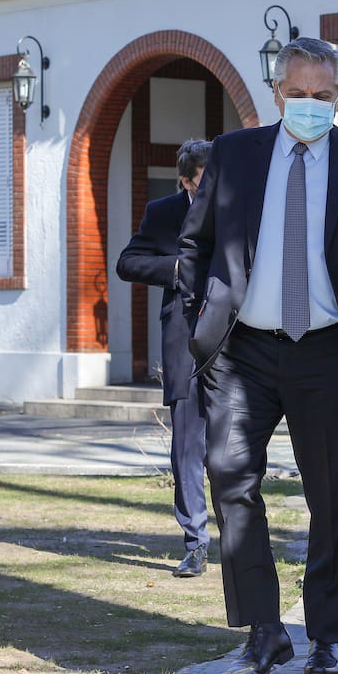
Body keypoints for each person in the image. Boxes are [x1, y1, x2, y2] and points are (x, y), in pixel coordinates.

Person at [177, 37, 338, 674]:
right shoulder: (235, 155)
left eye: (324, 96)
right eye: (299, 93)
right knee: (228, 477)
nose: (310, 104)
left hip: (329, 353)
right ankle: (264, 632)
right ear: (277, 92)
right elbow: (193, 247)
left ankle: (328, 640)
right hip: (244, 350)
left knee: (331, 499)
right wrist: (197, 321)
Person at [115, 139, 213, 578]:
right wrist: (176, 269)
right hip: (183, 342)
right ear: (185, 180)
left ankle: (240, 536)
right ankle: (196, 542)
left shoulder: (241, 205)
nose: (211, 189)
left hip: (236, 341)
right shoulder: (162, 212)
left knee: (235, 448)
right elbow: (127, 262)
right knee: (187, 447)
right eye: (201, 182)